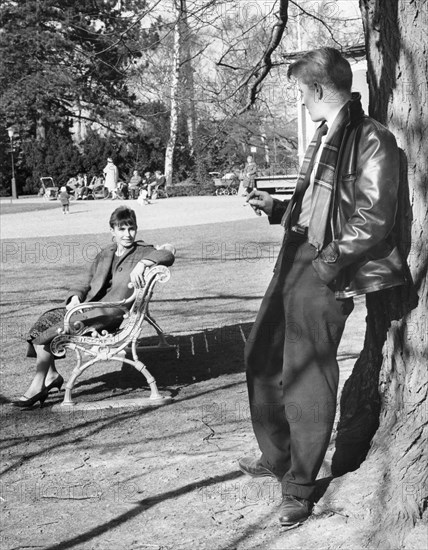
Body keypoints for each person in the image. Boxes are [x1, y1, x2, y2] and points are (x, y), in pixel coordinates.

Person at [239, 48, 406, 526]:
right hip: (293, 255)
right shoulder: (326, 136)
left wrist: (328, 263)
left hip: (324, 265)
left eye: (299, 92)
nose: (300, 100)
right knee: (260, 357)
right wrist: (276, 208)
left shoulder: (371, 138)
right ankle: (280, 459)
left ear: (315, 89)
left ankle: (299, 486)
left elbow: (373, 215)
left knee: (306, 374)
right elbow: (317, 203)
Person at [13, 206, 175, 408]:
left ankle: (37, 387)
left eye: (131, 228)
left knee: (49, 333)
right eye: (122, 229)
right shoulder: (106, 252)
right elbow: (86, 280)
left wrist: (143, 264)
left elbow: (169, 251)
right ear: (112, 232)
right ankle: (52, 375)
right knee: (42, 323)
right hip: (87, 309)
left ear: (136, 229)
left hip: (110, 313)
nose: (127, 234)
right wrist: (74, 297)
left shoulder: (143, 251)